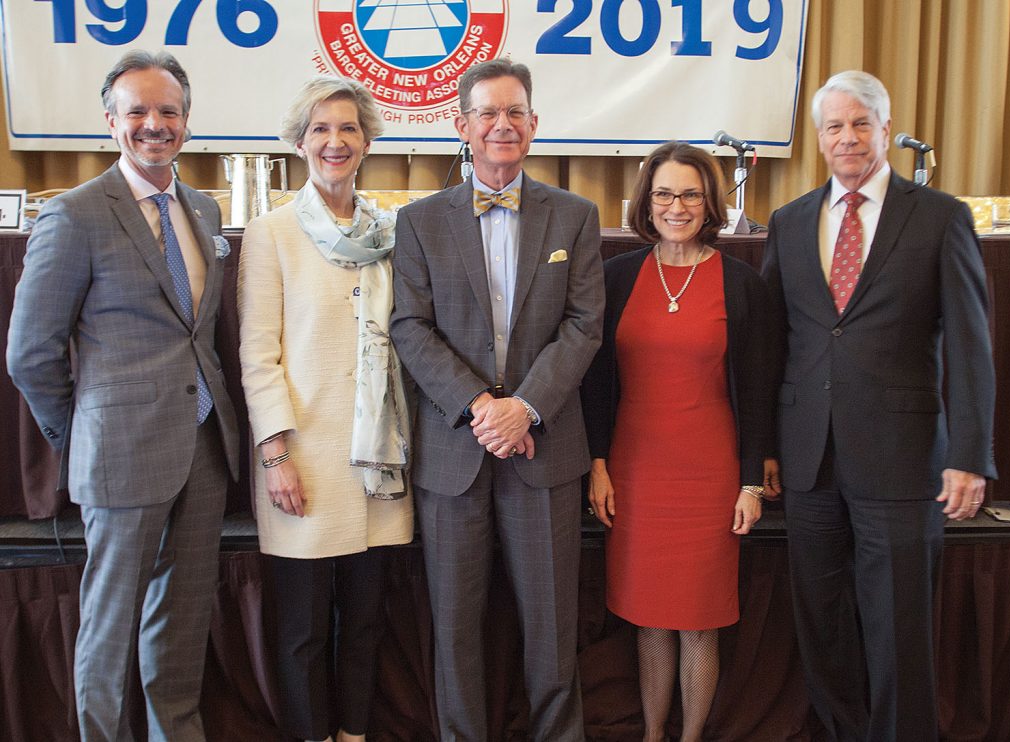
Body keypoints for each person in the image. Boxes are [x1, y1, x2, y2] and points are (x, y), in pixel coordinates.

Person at [6, 50, 239, 740]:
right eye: (137, 110)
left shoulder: (202, 207)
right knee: (109, 627)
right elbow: (29, 353)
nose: (153, 124)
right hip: (119, 452)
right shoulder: (75, 215)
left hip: (203, 443)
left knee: (183, 620)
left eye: (167, 111)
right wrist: (80, 436)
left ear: (187, 124)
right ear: (111, 121)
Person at [762, 70, 997, 741]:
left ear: (886, 131)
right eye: (834, 126)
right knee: (822, 625)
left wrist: (969, 458)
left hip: (902, 461)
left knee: (898, 627)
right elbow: (774, 343)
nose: (847, 138)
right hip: (808, 463)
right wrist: (766, 453)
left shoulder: (940, 216)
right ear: (818, 138)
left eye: (861, 123)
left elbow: (973, 347)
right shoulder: (790, 221)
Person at [390, 58, 604, 741]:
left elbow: (584, 325)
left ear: (535, 126)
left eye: (515, 112)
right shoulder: (420, 221)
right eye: (487, 113)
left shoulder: (575, 216)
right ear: (463, 126)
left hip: (545, 450)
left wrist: (525, 406)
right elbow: (409, 327)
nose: (502, 125)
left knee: (551, 629)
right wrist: (484, 407)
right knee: (455, 629)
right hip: (455, 454)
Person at [237, 76, 413, 742]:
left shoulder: (393, 233)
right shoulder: (272, 233)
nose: (334, 141)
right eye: (320, 129)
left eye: (347, 128)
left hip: (379, 466)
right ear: (299, 142)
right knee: (305, 631)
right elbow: (258, 356)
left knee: (366, 624)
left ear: (366, 140)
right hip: (301, 460)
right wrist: (275, 454)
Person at [582, 142, 773, 742]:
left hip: (711, 476)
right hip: (635, 473)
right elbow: (595, 383)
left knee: (698, 622)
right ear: (646, 202)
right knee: (649, 620)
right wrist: (597, 464)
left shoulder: (741, 283)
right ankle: (650, 734)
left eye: (691, 193)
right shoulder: (616, 277)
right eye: (664, 193)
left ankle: (689, 738)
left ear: (710, 202)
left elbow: (760, 390)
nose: (677, 205)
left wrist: (750, 482)